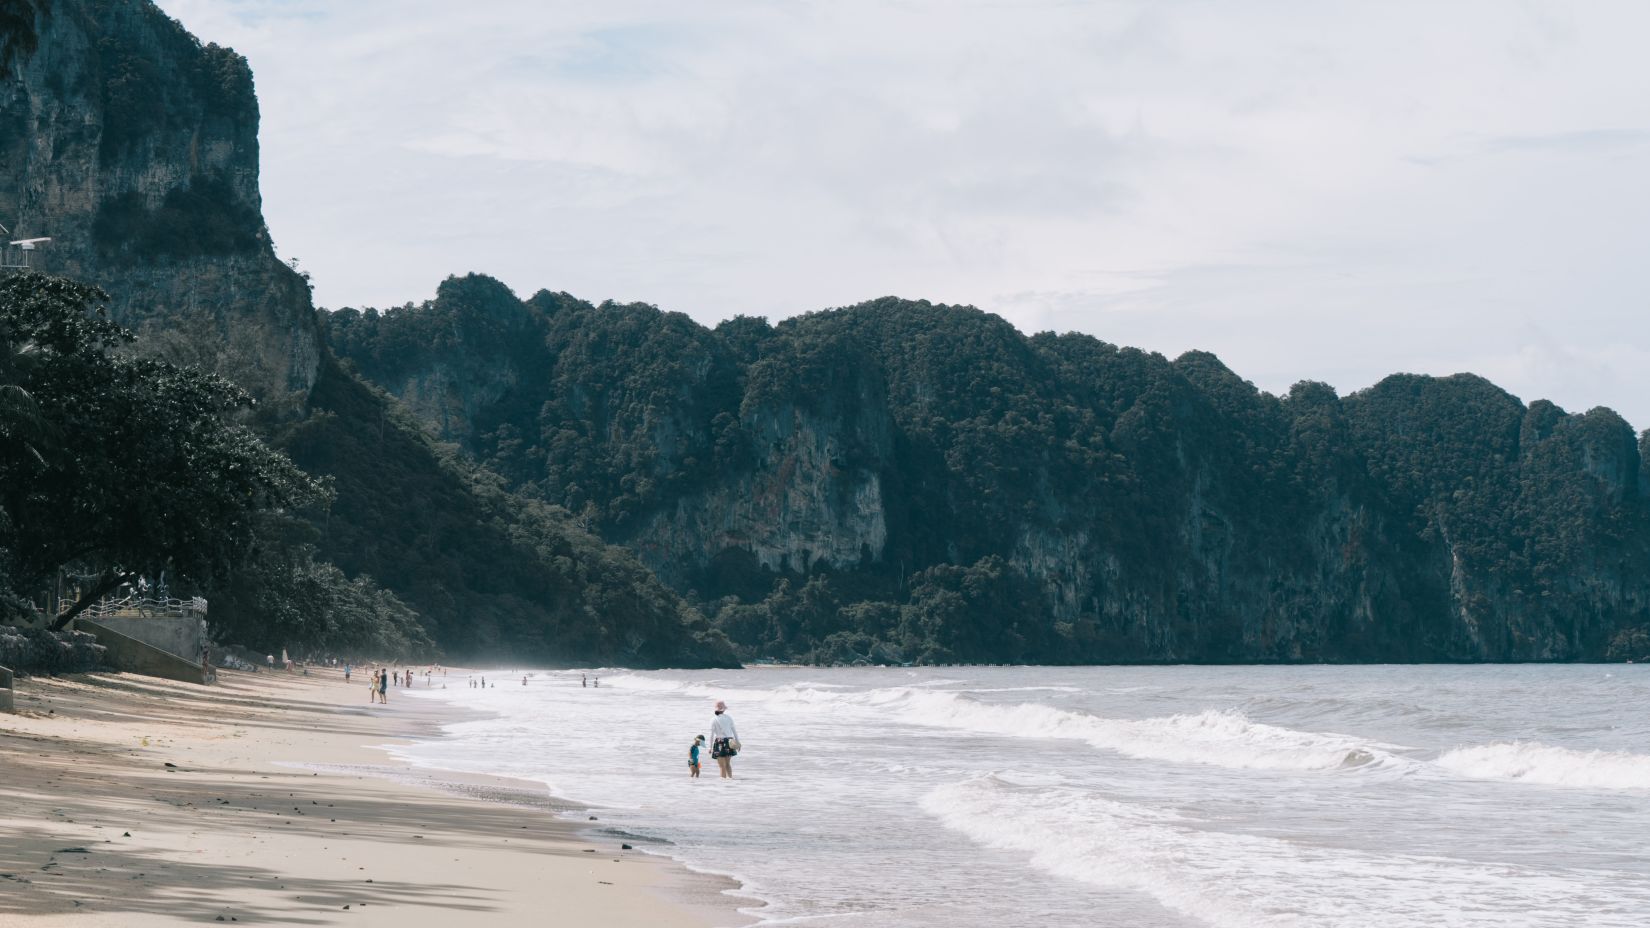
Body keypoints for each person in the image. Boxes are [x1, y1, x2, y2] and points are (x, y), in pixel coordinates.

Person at [710, 700, 739, 779]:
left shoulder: (713, 719)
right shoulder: (729, 718)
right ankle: (730, 780)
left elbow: (712, 735)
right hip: (729, 741)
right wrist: (738, 743)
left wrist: (710, 747)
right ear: (724, 709)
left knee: (721, 766)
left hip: (719, 742)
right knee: (727, 764)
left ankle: (723, 786)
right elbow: (734, 731)